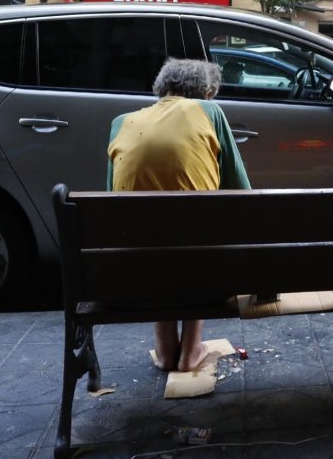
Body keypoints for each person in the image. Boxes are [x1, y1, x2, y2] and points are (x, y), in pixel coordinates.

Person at [106, 59, 251, 372]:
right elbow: (241, 192)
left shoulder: (121, 122)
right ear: (206, 93)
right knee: (202, 228)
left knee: (150, 233)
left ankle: (165, 346)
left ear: (162, 89)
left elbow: (112, 205)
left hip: (133, 280)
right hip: (204, 275)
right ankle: (190, 350)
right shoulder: (209, 112)